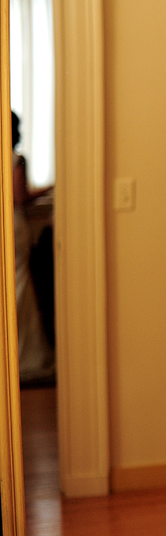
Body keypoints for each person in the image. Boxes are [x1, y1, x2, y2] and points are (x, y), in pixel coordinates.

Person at [11, 111, 55, 385]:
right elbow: (20, 197)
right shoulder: (16, 159)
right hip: (14, 226)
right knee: (21, 285)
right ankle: (25, 356)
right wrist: (50, 186)